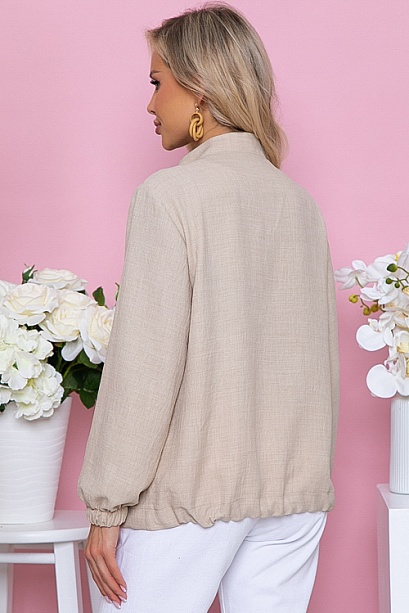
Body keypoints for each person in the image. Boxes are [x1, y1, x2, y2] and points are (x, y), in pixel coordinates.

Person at [78, 3, 339, 612]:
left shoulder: (170, 196)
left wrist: (106, 506)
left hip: (195, 495)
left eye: (157, 82)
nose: (150, 103)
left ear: (197, 88)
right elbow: (316, 363)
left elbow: (146, 366)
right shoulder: (297, 202)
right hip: (294, 496)